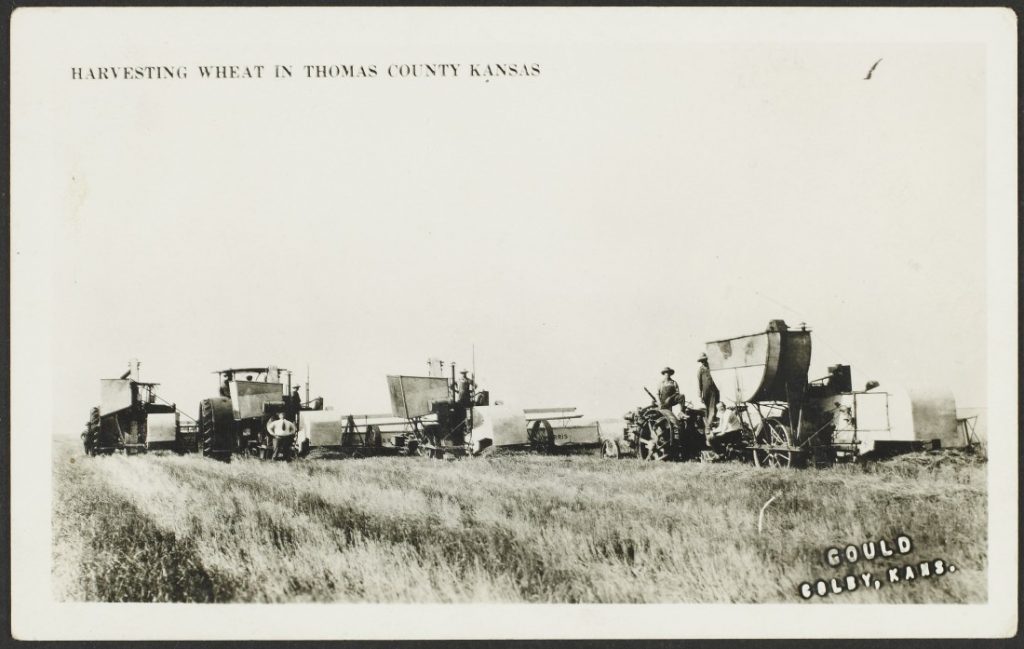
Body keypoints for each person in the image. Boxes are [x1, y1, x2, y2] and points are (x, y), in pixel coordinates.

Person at [697, 353, 719, 434]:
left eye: (704, 360)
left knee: (713, 409)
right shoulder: (700, 370)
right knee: (707, 409)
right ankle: (707, 426)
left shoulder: (712, 367)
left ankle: (708, 427)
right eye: (702, 361)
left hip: (714, 390)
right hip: (706, 392)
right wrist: (700, 395)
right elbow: (699, 383)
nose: (703, 362)